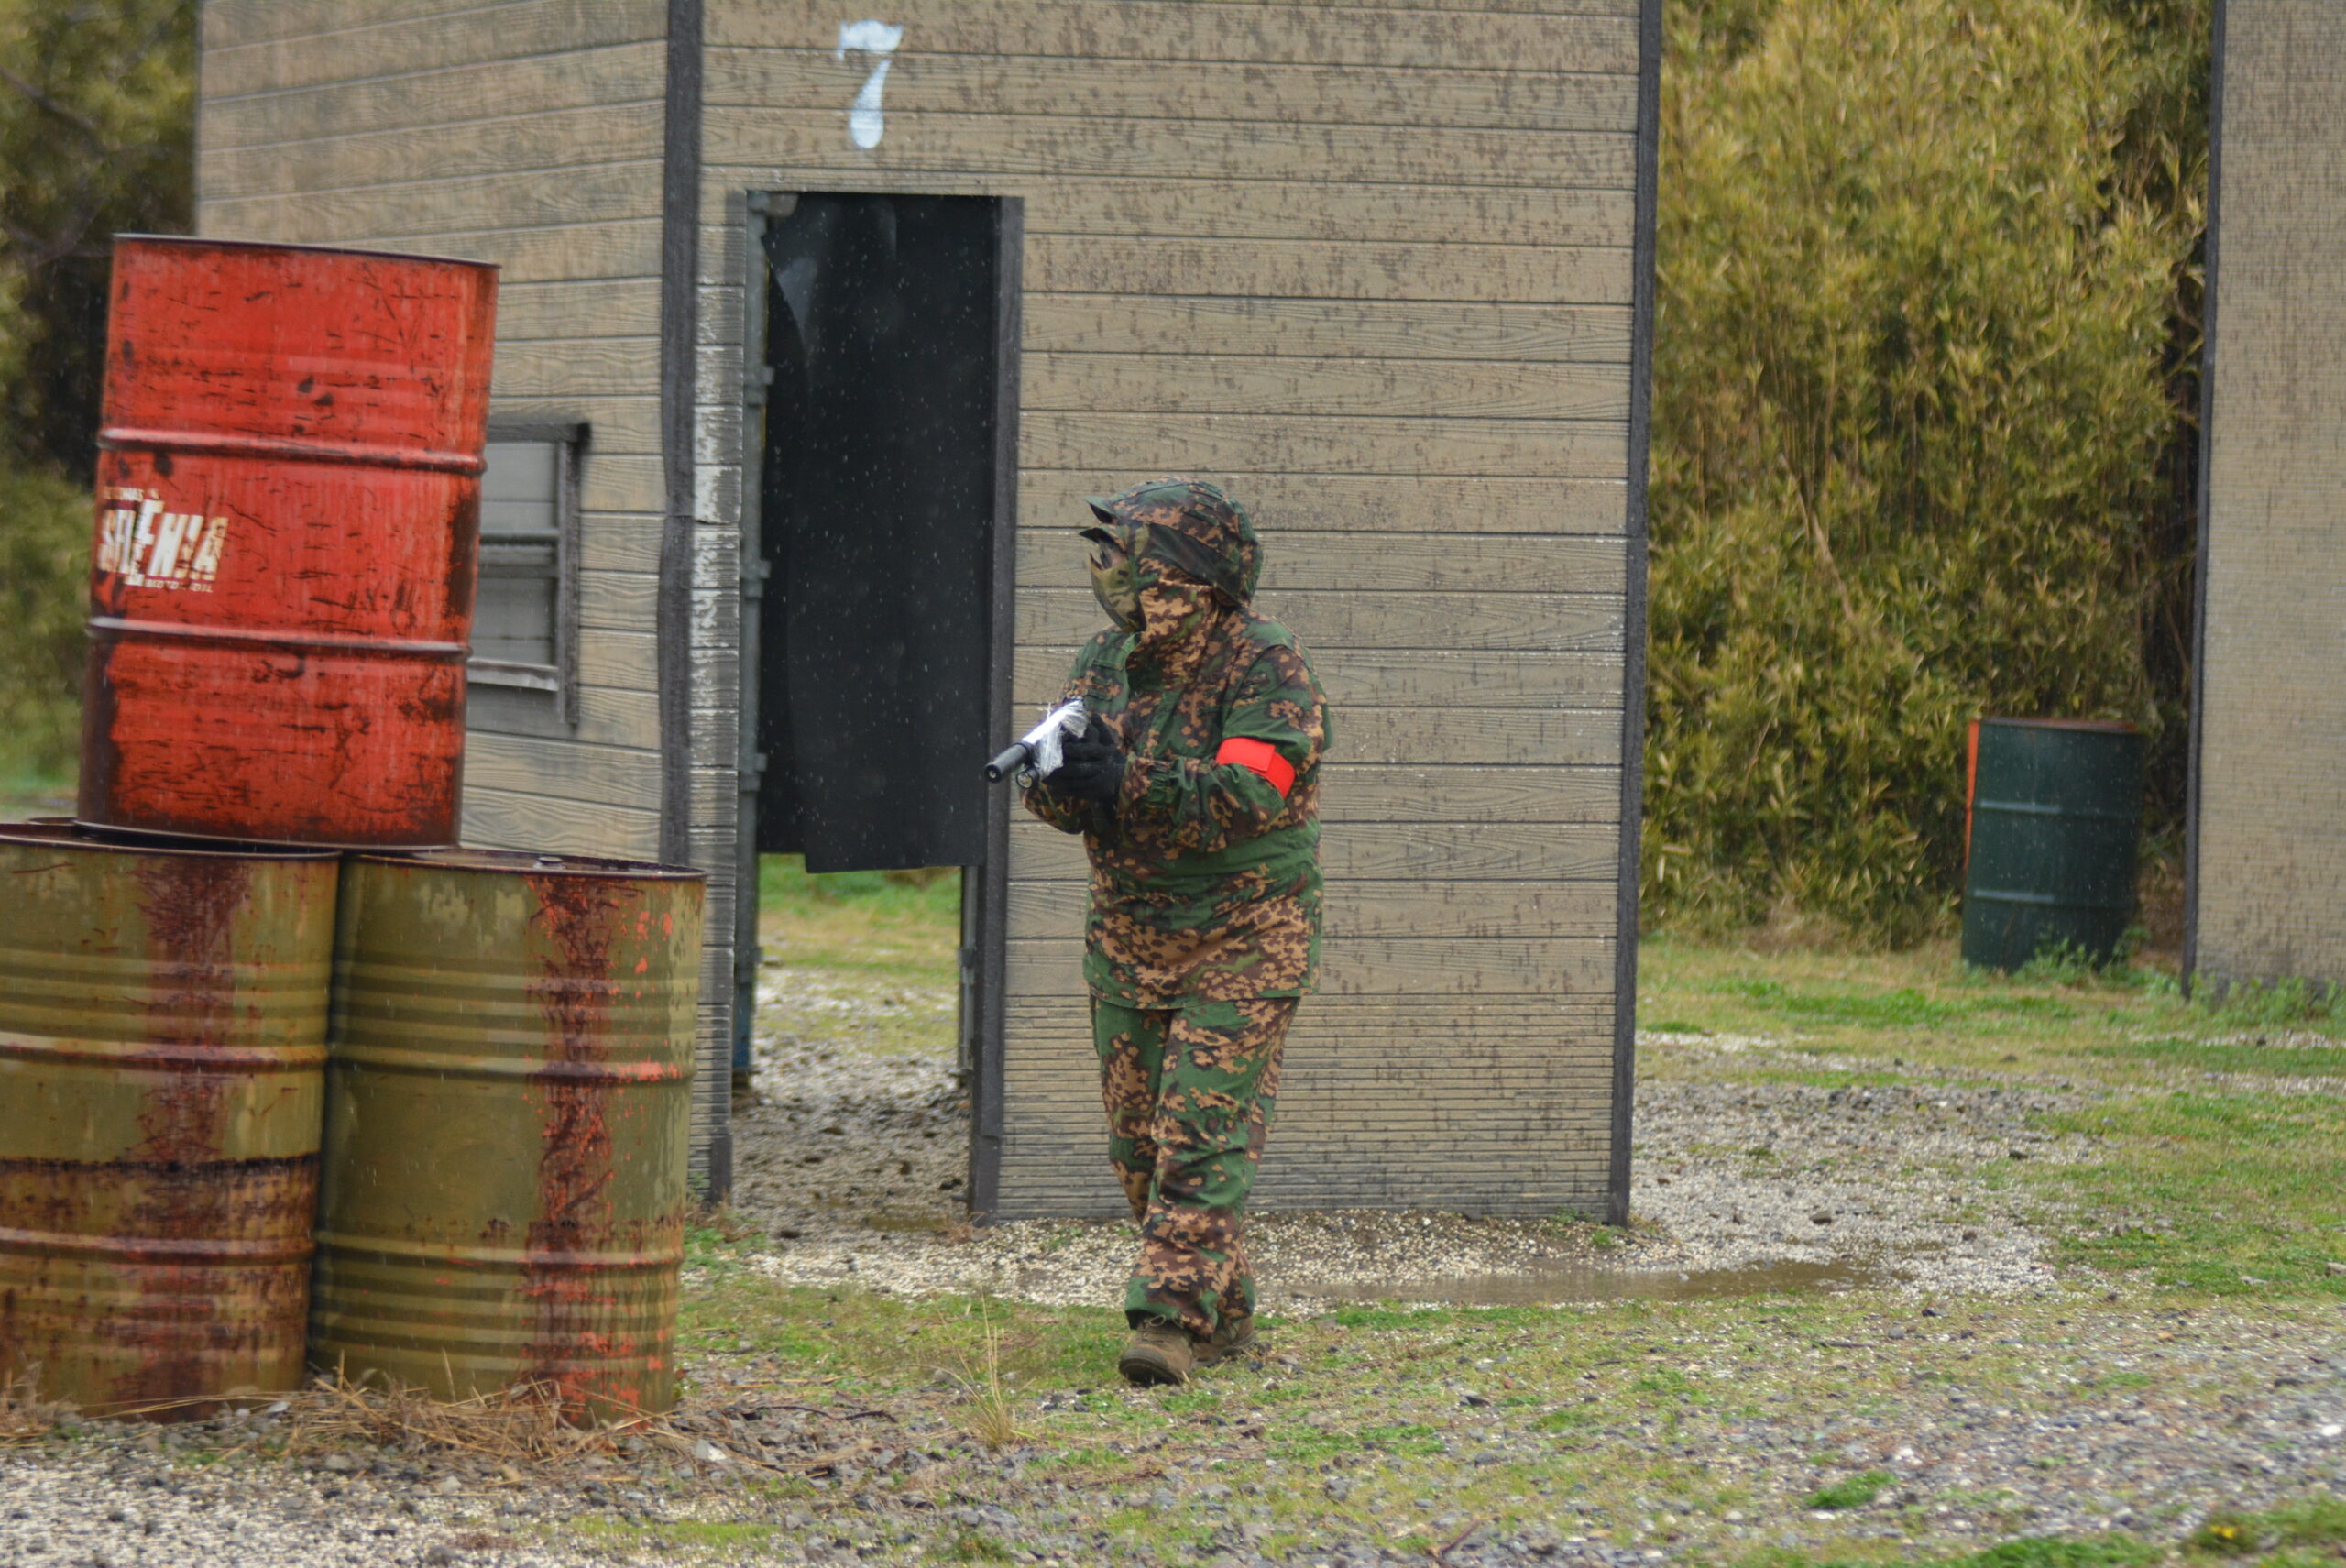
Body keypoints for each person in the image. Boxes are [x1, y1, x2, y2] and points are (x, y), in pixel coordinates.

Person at [1021, 477, 1330, 1387]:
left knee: (1199, 1136)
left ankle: (1166, 1323)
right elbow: (1063, 793)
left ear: (1185, 577)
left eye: (1128, 556)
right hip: (1129, 939)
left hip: (1246, 936)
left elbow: (1249, 795)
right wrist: (1062, 782)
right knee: (1140, 1151)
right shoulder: (1102, 661)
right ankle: (1224, 1310)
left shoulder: (1266, 665)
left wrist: (1128, 778)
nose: (1108, 571)